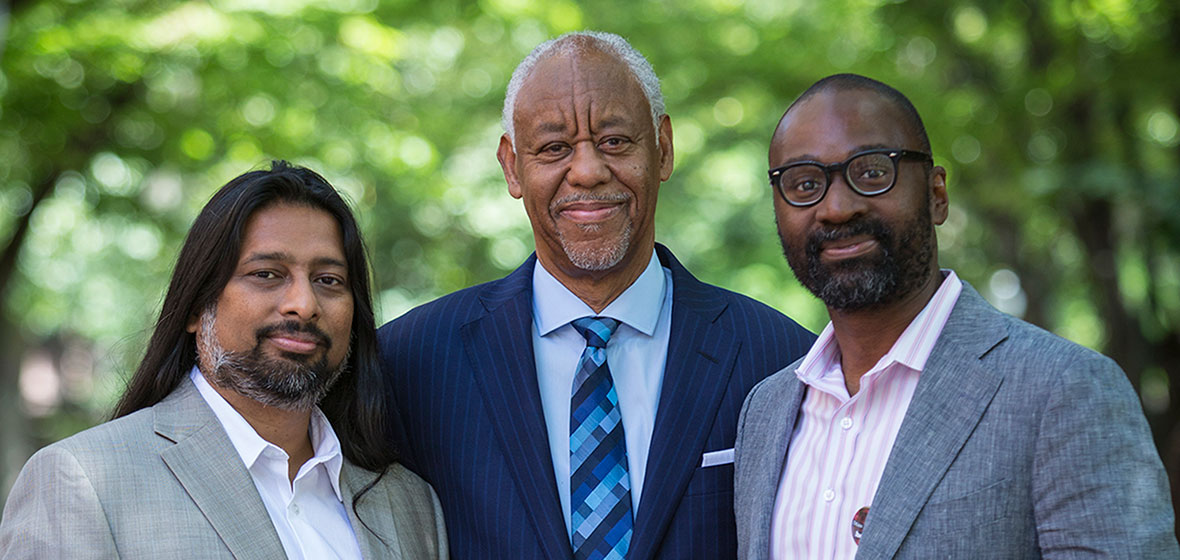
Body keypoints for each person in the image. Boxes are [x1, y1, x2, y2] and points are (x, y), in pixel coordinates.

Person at [377, 31, 814, 559]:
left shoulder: (786, 363)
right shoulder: (409, 363)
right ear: (512, 167)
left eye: (614, 141)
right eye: (554, 148)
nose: (586, 171)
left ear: (663, 149)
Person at [734, 73, 1179, 559]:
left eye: (873, 172)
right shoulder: (765, 411)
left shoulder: (1065, 389)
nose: (837, 208)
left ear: (936, 194)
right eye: (804, 184)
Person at [0, 162, 447, 559]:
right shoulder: (82, 482)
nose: (303, 304)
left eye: (329, 280)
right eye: (266, 274)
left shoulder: (407, 503)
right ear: (197, 306)